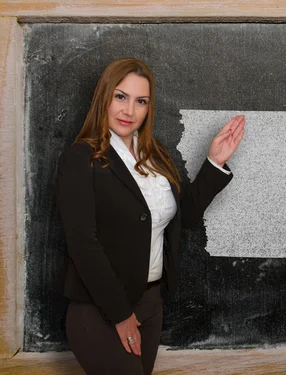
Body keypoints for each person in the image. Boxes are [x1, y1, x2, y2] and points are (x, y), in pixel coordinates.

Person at [56, 57, 245, 375]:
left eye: (140, 101)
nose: (129, 111)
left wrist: (214, 162)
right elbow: (82, 243)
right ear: (104, 97)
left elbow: (184, 217)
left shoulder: (156, 156)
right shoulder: (80, 158)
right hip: (100, 309)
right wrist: (119, 314)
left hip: (150, 305)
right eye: (121, 97)